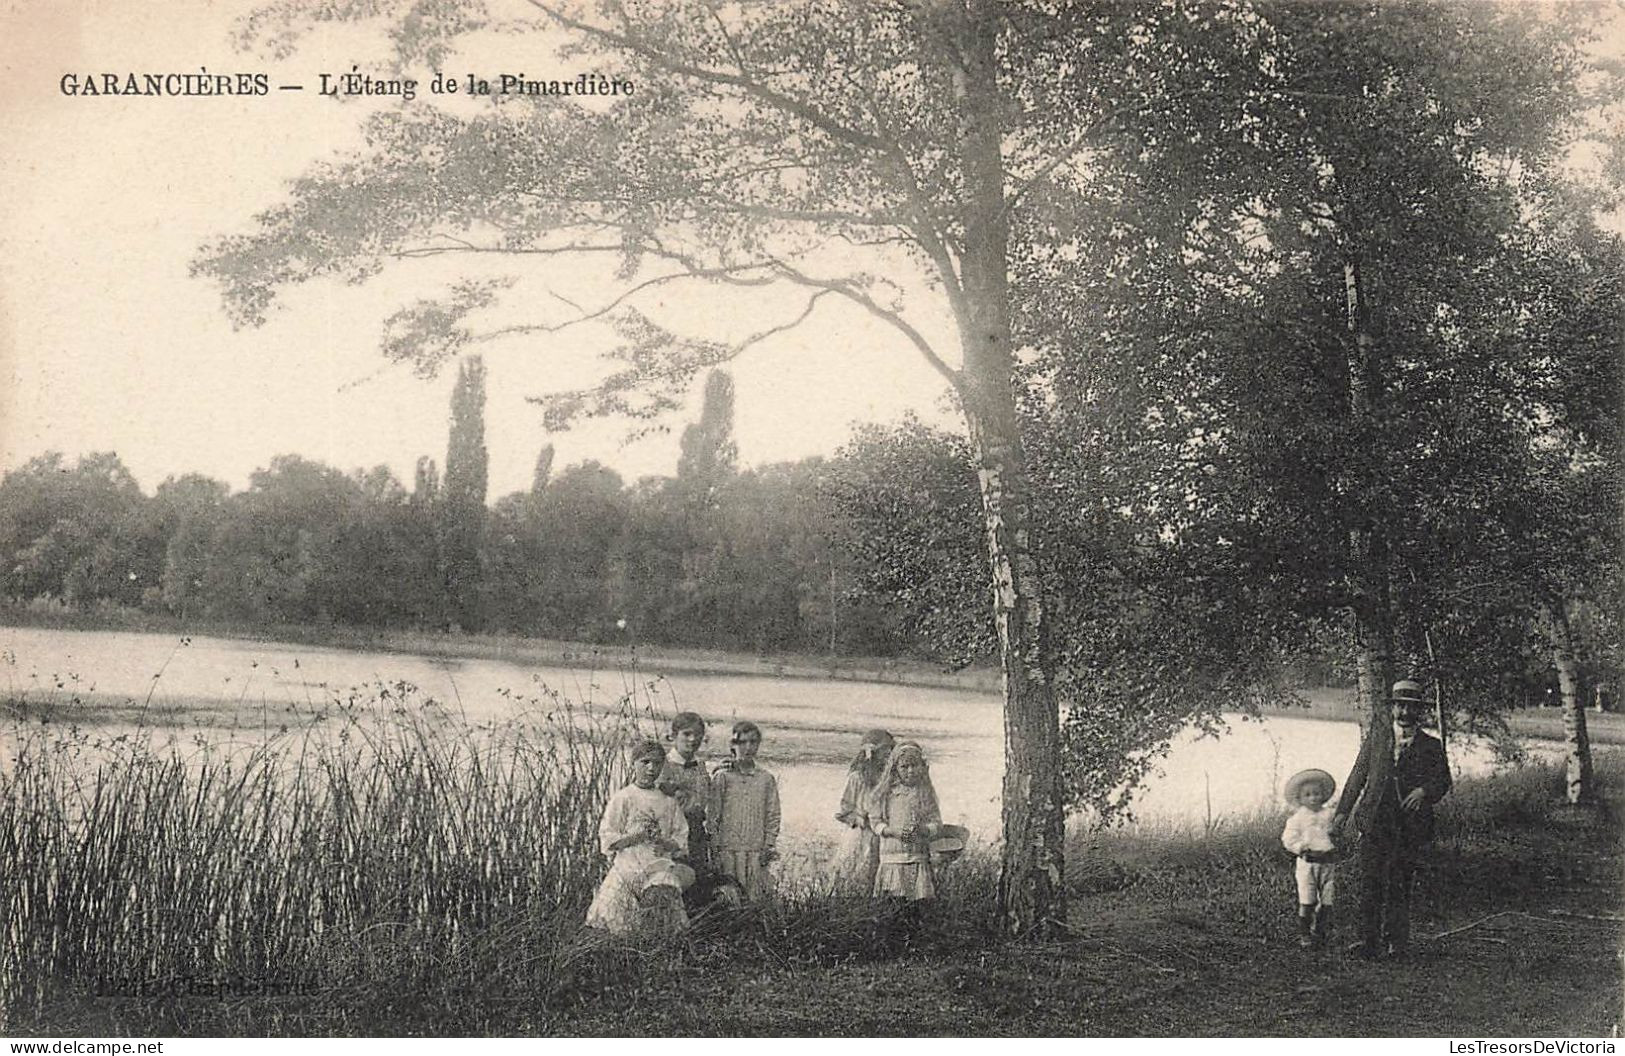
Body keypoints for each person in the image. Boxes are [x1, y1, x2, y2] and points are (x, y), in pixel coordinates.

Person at [1332, 679, 1453, 960]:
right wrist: (1342, 814)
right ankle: (1367, 941)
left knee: (1400, 881)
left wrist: (1424, 791)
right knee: (1370, 881)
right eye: (1399, 706)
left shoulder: (1431, 746)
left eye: (1410, 707)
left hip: (1409, 826)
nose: (1404, 713)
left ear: (1419, 712)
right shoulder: (1377, 739)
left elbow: (1443, 780)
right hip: (1374, 822)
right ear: (1392, 709)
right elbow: (1357, 777)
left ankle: (1396, 942)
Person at [584, 739, 690, 936]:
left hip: (658, 864)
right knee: (617, 919)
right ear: (634, 763)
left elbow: (681, 835)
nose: (651, 769)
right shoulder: (623, 797)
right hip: (628, 867)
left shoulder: (668, 802)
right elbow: (607, 836)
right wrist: (637, 837)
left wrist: (665, 843)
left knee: (663, 908)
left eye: (657, 763)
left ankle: (660, 947)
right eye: (645, 762)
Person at [708, 721, 781, 901]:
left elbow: (773, 814)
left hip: (756, 850)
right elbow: (712, 816)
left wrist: (768, 845)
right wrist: (715, 849)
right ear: (733, 745)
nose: (748, 747)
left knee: (756, 898)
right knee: (730, 897)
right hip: (728, 850)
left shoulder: (766, 779)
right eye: (743, 742)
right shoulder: (722, 777)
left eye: (753, 742)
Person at [870, 741, 942, 901]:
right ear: (895, 768)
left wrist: (924, 829)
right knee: (893, 901)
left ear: (922, 767)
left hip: (917, 856)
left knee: (917, 903)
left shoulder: (925, 793)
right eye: (905, 767)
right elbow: (875, 822)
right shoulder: (886, 794)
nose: (910, 771)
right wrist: (892, 831)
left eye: (915, 765)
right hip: (892, 856)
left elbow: (936, 822)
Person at [1281, 768, 1340, 948]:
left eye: (1317, 793)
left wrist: (1336, 835)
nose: (1313, 798)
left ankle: (1320, 932)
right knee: (1308, 899)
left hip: (1328, 863)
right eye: (1308, 795)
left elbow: (1339, 832)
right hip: (1308, 864)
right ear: (1300, 798)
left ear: (1323, 795)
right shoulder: (1297, 819)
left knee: (1328, 900)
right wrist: (1300, 848)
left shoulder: (1329, 815)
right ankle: (1304, 934)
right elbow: (1288, 839)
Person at [833, 728, 895, 892]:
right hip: (861, 835)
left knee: (879, 880)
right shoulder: (858, 778)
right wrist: (861, 820)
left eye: (891, 750)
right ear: (873, 752)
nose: (889, 755)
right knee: (855, 875)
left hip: (883, 834)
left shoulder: (891, 778)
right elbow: (844, 811)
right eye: (885, 751)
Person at [658, 711, 712, 868]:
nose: (693, 739)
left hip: (697, 834)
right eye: (687, 734)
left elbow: (705, 798)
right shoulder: (663, 766)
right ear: (674, 735)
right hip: (672, 834)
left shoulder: (700, 766)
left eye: (698, 735)